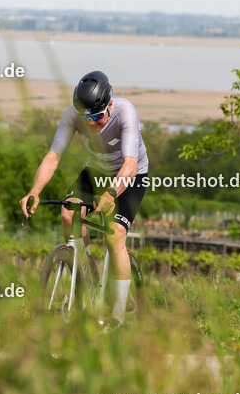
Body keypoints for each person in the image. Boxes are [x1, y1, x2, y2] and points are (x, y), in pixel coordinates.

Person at [20, 71, 149, 326]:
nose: (91, 123)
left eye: (97, 117)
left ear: (109, 103)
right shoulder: (72, 115)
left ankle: (117, 315)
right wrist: (34, 191)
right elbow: (53, 157)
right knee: (68, 213)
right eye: (85, 117)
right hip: (96, 170)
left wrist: (112, 192)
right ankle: (87, 271)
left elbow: (130, 165)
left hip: (130, 174)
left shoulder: (126, 111)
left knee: (114, 235)